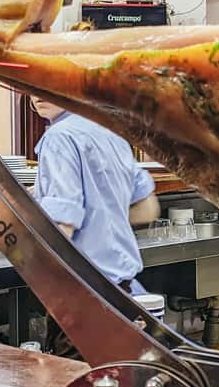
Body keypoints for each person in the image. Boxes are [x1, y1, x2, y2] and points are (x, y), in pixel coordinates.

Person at [30, 94, 160, 296]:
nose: (37, 95)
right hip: (125, 289)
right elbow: (148, 209)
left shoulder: (58, 137)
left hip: (87, 291)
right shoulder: (110, 131)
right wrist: (101, 216)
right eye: (29, 87)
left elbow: (63, 227)